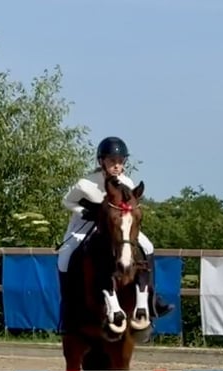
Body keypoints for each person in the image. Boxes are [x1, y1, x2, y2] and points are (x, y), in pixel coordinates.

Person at [56, 136, 174, 330]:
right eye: (112, 161)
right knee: (65, 256)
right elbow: (67, 201)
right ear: (101, 161)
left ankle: (152, 298)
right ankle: (68, 307)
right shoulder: (85, 184)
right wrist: (84, 212)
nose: (117, 165)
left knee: (148, 246)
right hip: (86, 227)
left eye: (120, 161)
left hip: (119, 229)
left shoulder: (127, 182)